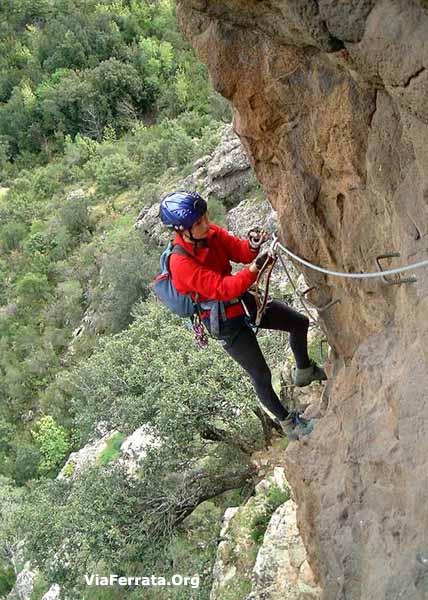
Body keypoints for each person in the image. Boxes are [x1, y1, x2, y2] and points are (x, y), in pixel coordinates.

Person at [159, 190, 327, 441]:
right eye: (198, 223)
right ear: (182, 230)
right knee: (260, 374)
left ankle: (304, 370)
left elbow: (238, 251)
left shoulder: (210, 233)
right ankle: (289, 424)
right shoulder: (180, 264)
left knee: (298, 322)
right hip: (223, 320)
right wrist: (255, 267)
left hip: (241, 301)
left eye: (205, 217)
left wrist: (252, 246)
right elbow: (224, 288)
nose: (206, 223)